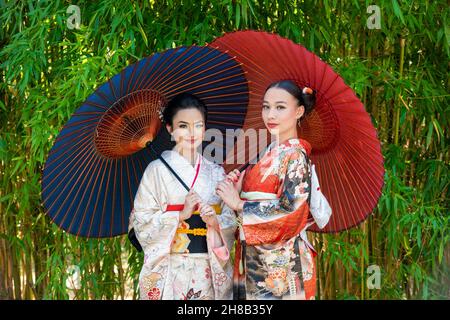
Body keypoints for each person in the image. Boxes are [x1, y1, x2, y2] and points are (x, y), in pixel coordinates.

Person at [216, 80, 331, 300]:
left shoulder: (295, 155)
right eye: (266, 106)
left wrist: (240, 204)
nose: (271, 114)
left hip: (281, 263)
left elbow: (291, 211)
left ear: (298, 111)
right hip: (252, 258)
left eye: (280, 107)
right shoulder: (267, 152)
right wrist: (238, 188)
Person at [129, 92, 236, 300]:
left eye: (198, 125)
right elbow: (141, 222)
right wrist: (180, 215)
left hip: (208, 267)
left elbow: (231, 219)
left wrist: (214, 221)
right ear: (170, 129)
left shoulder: (215, 172)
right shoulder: (156, 171)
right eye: (183, 126)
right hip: (170, 267)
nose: (192, 132)